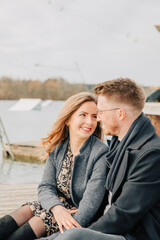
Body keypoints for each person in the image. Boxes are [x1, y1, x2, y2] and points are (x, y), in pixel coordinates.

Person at [50, 78, 160, 240]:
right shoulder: (118, 143)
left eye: (101, 112)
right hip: (109, 227)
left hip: (132, 235)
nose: (98, 119)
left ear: (120, 114)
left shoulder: (151, 154)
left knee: (71, 237)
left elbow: (122, 216)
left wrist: (83, 231)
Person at [0, 92, 108, 240]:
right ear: (69, 119)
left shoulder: (100, 153)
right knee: (7, 223)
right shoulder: (59, 148)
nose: (89, 122)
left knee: (26, 230)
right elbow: (45, 187)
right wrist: (57, 208)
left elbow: (90, 205)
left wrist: (67, 226)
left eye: (94, 116)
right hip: (55, 205)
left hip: (75, 215)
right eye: (83, 115)